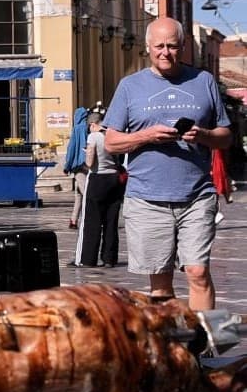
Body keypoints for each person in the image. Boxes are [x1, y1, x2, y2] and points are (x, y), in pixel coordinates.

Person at [103, 17, 231, 310]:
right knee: (160, 283)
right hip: (147, 198)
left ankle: (202, 336)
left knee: (197, 272)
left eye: (172, 46)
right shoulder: (130, 86)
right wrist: (147, 136)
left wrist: (204, 135)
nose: (165, 52)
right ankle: (170, 337)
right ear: (148, 46)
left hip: (197, 196)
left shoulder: (203, 81)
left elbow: (225, 137)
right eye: (159, 46)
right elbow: (111, 143)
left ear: (183, 47)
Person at [72, 112, 123, 268]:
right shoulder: (113, 135)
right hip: (114, 179)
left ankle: (87, 259)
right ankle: (109, 258)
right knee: (111, 220)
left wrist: (86, 154)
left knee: (91, 220)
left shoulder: (93, 137)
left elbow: (90, 161)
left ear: (93, 124)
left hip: (97, 178)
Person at [62, 106, 89, 230]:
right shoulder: (89, 128)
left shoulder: (77, 129)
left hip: (79, 166)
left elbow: (71, 149)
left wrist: (67, 166)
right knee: (79, 194)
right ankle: (73, 220)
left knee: (86, 193)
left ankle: (90, 219)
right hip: (89, 164)